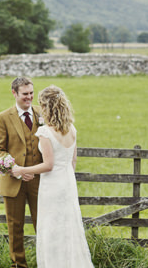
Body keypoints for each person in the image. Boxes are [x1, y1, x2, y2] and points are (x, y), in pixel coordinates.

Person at [12, 85, 94, 268]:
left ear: (46, 107)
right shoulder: (72, 129)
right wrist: (65, 179)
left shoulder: (45, 132)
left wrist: (21, 170)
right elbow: (72, 162)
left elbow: (48, 165)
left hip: (52, 186)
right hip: (67, 183)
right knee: (68, 227)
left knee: (51, 229)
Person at [0, 76, 44, 268]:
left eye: (31, 93)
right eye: (25, 94)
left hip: (40, 180)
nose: (29, 97)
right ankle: (19, 265)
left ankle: (45, 262)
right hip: (14, 182)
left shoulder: (42, 113)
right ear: (14, 93)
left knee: (44, 225)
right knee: (15, 227)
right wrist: (15, 169)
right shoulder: (3, 117)